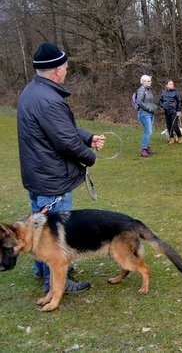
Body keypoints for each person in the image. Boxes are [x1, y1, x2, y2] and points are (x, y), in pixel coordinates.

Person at [17, 42, 106, 294]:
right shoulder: (48, 100)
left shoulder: (32, 91)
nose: (66, 71)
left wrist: (88, 137)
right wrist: (90, 157)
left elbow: (61, 129)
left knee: (38, 226)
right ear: (56, 70)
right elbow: (65, 141)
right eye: (65, 67)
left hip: (38, 175)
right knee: (54, 234)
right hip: (52, 179)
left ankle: (40, 268)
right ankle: (56, 282)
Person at [135, 74, 159, 157]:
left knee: (149, 131)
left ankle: (147, 148)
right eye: (148, 81)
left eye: (150, 81)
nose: (150, 82)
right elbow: (139, 102)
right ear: (143, 82)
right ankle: (144, 149)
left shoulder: (148, 90)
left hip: (151, 113)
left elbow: (150, 102)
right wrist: (149, 109)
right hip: (144, 114)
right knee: (148, 131)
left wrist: (154, 107)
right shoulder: (141, 90)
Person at [159, 79, 182, 144]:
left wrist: (179, 110)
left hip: (174, 111)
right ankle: (171, 139)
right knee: (169, 126)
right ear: (166, 85)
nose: (171, 85)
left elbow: (180, 102)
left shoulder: (176, 92)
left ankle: (180, 137)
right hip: (166, 111)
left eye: (172, 84)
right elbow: (160, 101)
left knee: (175, 125)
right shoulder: (163, 92)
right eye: (170, 84)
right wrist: (163, 106)